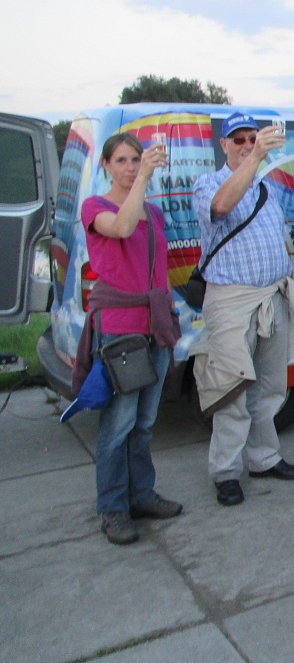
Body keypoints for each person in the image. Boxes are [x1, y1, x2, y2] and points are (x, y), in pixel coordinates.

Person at [193, 113, 294, 507]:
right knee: (232, 390)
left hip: (272, 298)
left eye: (251, 138)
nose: (246, 144)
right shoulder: (208, 184)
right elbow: (221, 207)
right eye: (238, 139)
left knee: (270, 387)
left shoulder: (266, 188)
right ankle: (226, 471)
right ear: (223, 145)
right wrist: (258, 155)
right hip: (232, 302)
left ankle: (264, 458)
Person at [72, 134, 182, 544]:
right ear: (105, 165)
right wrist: (144, 180)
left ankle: (141, 495)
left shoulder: (153, 213)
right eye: (121, 160)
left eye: (136, 159)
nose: (131, 167)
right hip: (121, 330)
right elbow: (121, 227)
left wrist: (168, 314)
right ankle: (113, 509)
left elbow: (158, 268)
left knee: (144, 422)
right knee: (118, 425)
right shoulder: (95, 207)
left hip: (154, 325)